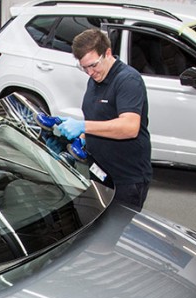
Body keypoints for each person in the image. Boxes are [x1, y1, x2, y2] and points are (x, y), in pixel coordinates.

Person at [55, 28, 152, 211]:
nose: (90, 72)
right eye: (84, 67)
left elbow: (130, 126)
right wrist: (81, 138)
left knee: (116, 235)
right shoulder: (95, 79)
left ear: (107, 53)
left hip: (126, 180)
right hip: (100, 174)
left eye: (93, 65)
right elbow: (100, 118)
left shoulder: (128, 80)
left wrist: (83, 126)